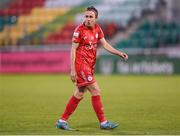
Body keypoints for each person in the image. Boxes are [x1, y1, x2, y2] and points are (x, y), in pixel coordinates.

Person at [56, 6, 128, 130]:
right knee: (95, 90)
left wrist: (118, 53)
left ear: (96, 18)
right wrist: (72, 70)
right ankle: (103, 123)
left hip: (89, 65)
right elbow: (73, 49)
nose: (88, 19)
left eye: (91, 17)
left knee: (79, 93)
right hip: (81, 65)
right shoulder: (79, 30)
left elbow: (105, 44)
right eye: (86, 16)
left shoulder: (97, 29)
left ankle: (62, 121)